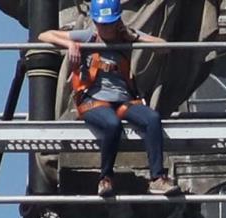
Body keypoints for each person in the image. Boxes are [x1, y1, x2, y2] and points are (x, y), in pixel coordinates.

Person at [38, 0, 179, 197]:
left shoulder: (126, 35)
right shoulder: (89, 36)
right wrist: (70, 44)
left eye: (109, 24)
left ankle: (157, 178)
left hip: (124, 100)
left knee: (152, 119)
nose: (105, 28)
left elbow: (165, 47)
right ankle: (106, 178)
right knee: (112, 125)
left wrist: (136, 37)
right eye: (101, 24)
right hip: (94, 101)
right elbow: (44, 35)